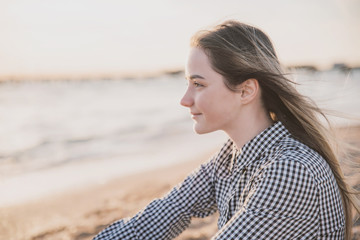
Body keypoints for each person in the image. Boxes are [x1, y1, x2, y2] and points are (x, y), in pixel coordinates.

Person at [94, 20, 359, 239]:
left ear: (246, 91)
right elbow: (157, 218)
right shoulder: (231, 156)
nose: (185, 100)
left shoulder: (290, 168)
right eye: (188, 83)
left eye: (198, 84)